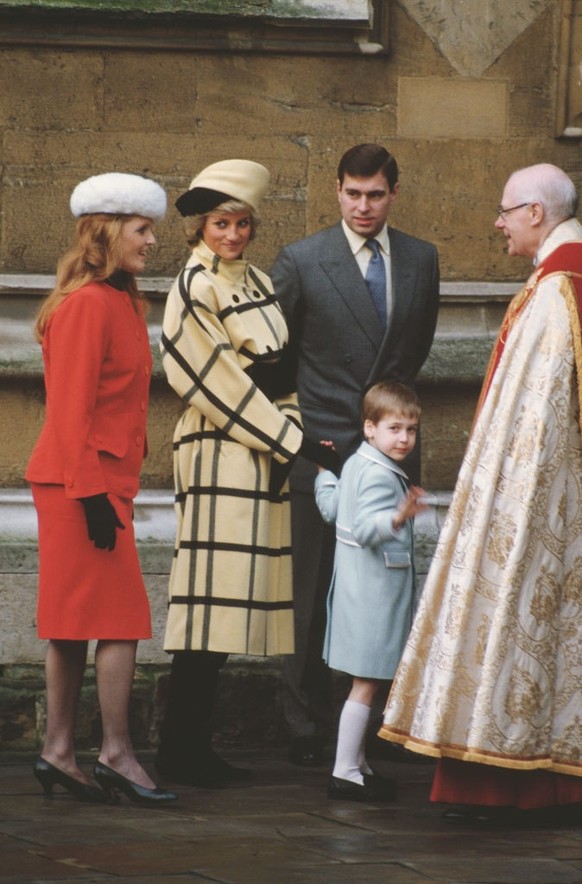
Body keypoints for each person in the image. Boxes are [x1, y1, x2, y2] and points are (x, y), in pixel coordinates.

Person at [379, 163, 582, 822]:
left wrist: (501, 505)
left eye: (504, 211)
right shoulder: (555, 283)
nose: (496, 223)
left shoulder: (558, 294)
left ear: (535, 213)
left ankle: (512, 775)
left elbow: (542, 428)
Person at [155, 159, 338, 789]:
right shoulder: (192, 287)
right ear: (199, 228)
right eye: (220, 224)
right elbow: (210, 378)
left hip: (261, 454)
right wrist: (291, 438)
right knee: (207, 600)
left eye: (241, 224)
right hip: (218, 450)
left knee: (228, 604)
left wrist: (286, 434)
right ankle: (178, 749)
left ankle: (193, 745)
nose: (231, 235)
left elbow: (279, 364)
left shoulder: (258, 277)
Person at [271, 142, 440, 766]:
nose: (363, 205)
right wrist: (306, 437)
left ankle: (369, 724)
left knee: (385, 587)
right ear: (337, 190)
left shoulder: (422, 259)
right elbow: (276, 358)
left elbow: (412, 350)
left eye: (375, 194)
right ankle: (305, 724)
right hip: (324, 450)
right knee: (313, 590)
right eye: (352, 193)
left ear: (393, 193)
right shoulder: (302, 259)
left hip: (393, 450)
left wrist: (390, 428)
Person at [26, 172, 177, 806]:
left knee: (71, 625)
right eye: (142, 230)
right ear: (108, 230)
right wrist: (90, 495)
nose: (150, 242)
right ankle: (114, 753)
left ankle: (60, 752)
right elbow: (70, 409)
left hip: (88, 481)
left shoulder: (117, 300)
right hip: (78, 484)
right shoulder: (88, 304)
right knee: (121, 621)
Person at [315, 381, 427, 802]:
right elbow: (364, 529)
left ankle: (358, 765)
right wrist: (397, 518)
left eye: (411, 430)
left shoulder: (358, 463)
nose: (404, 439)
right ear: (369, 428)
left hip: (357, 593)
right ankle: (345, 771)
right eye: (395, 428)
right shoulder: (379, 474)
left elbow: (331, 509)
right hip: (375, 596)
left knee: (367, 683)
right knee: (366, 684)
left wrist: (325, 473)